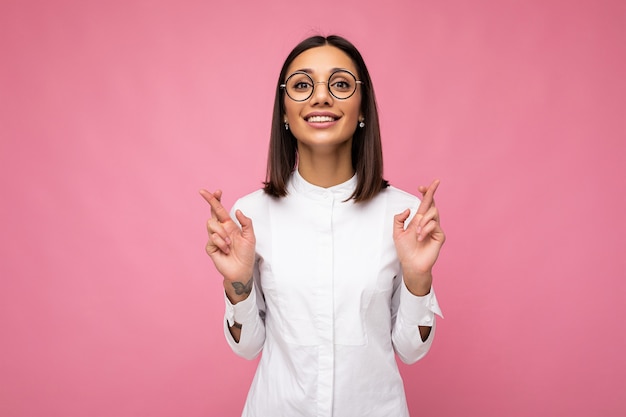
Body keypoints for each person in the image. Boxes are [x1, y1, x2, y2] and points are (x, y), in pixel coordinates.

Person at [200, 34, 445, 417]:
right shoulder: (250, 216)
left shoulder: (404, 216)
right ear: (283, 111)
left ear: (362, 108)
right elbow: (247, 347)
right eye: (301, 85)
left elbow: (412, 351)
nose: (321, 97)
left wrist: (418, 279)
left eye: (341, 84)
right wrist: (238, 285)